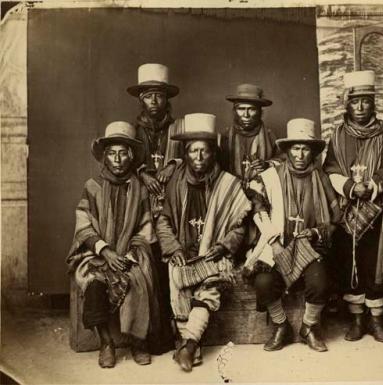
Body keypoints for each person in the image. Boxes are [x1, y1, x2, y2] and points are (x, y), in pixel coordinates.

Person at [323, 70, 383, 343]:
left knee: (375, 266)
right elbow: (329, 168)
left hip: (378, 212)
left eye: (366, 101)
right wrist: (350, 187)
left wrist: (377, 183)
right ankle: (356, 321)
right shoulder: (338, 134)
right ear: (348, 103)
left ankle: (377, 321)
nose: (361, 106)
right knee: (351, 265)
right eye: (356, 101)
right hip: (347, 213)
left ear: (373, 103)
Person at [155, 113, 251, 372]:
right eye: (193, 151)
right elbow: (162, 221)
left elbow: (239, 225)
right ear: (185, 154)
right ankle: (189, 342)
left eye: (204, 151)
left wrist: (225, 245)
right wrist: (173, 248)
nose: (198, 157)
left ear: (213, 154)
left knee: (212, 284)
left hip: (214, 251)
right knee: (177, 276)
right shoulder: (175, 184)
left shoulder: (228, 184)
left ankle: (188, 345)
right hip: (184, 251)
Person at [66, 121, 167, 368]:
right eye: (112, 153)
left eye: (123, 153)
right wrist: (106, 250)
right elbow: (84, 225)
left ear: (131, 156)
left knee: (139, 280)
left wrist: (130, 255)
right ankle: (106, 343)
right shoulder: (93, 187)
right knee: (94, 285)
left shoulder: (140, 189)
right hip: (97, 253)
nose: (118, 159)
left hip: (130, 255)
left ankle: (137, 342)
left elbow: (145, 229)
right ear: (105, 156)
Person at [245, 118, 341, 353]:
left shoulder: (322, 179)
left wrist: (316, 232)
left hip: (309, 246)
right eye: (295, 148)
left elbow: (335, 218)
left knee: (319, 282)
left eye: (305, 148)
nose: (300, 154)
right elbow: (259, 211)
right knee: (263, 282)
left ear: (312, 152)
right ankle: (281, 326)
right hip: (278, 244)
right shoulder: (270, 177)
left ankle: (308, 327)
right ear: (287, 150)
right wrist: (274, 242)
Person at [127, 63, 183, 219]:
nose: (153, 101)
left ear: (166, 100)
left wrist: (174, 164)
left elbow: (198, 156)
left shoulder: (180, 128)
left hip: (174, 201)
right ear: (141, 100)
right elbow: (121, 165)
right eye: (148, 96)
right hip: (140, 204)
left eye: (158, 95)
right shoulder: (132, 132)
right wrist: (142, 174)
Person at [221, 83, 279, 188]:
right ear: (234, 111)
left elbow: (284, 160)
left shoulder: (271, 137)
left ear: (260, 112)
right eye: (241, 109)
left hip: (263, 194)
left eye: (251, 109)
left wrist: (268, 164)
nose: (246, 115)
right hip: (231, 193)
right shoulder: (224, 138)